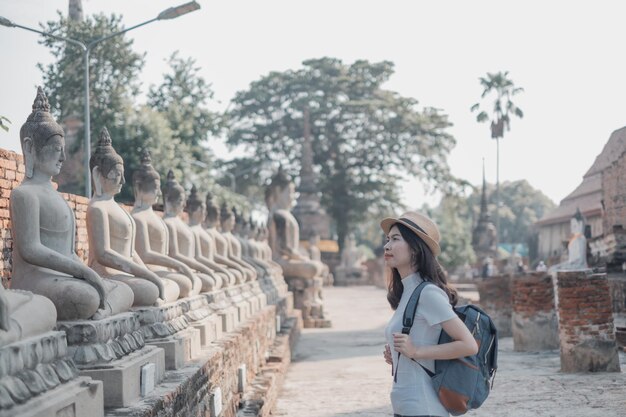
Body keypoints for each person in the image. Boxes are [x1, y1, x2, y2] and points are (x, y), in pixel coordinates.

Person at [380, 211, 478, 417]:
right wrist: (398, 356)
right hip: (405, 404)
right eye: (387, 240)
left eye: (395, 239)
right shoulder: (408, 291)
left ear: (416, 249)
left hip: (423, 407)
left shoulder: (428, 293)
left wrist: (416, 351)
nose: (387, 246)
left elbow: (468, 345)